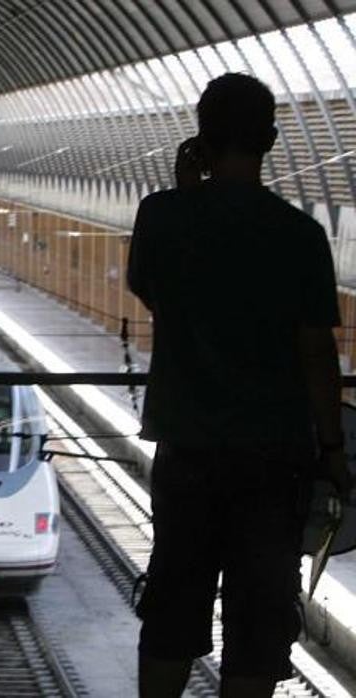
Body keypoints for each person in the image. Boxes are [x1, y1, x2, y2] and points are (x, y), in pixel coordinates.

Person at [128, 74, 349, 698]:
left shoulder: (161, 216)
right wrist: (332, 450)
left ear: (199, 135)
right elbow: (317, 355)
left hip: (187, 451)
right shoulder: (300, 235)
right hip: (273, 462)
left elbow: (155, 296)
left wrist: (183, 194)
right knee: (257, 621)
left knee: (173, 607)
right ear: (272, 140)